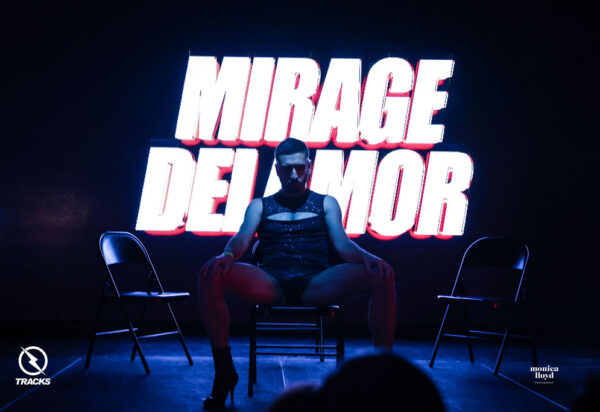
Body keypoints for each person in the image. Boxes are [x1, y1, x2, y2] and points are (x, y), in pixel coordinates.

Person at [198, 138, 396, 410]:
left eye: (299, 167)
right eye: (287, 168)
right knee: (210, 274)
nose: (294, 174)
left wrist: (369, 257)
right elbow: (242, 238)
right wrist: (227, 255)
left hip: (316, 283)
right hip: (272, 283)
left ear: (309, 167)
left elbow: (342, 244)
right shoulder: (259, 206)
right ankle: (224, 372)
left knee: (382, 274)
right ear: (277, 169)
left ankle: (384, 374)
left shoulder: (326, 203)